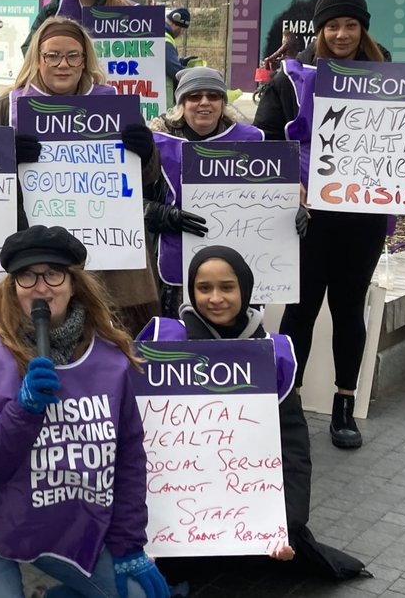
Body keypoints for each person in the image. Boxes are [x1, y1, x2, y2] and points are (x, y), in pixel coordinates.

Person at [0, 225, 167, 598]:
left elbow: (129, 458)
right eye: (27, 275)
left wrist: (128, 543)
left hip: (62, 525)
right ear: (13, 288)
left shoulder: (110, 360)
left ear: (74, 284)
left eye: (53, 273)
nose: (41, 287)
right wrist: (23, 412)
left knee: (137, 593)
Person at [254, 0, 405, 449]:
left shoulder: (393, 80)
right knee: (299, 311)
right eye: (332, 25)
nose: (341, 33)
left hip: (362, 216)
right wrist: (287, 181)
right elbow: (263, 138)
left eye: (350, 25)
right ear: (319, 30)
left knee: (348, 310)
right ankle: (288, 402)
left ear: (363, 29)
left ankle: (344, 403)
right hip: (309, 216)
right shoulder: (292, 78)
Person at [138, 246, 367, 582]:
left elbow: (292, 445)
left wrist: (284, 524)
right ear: (191, 290)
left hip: (244, 502)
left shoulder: (273, 354)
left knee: (259, 565)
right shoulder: (164, 343)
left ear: (244, 289)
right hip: (179, 506)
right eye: (204, 288)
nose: (215, 298)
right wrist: (143, 526)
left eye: (227, 287)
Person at [0, 17, 163, 336]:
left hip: (115, 259)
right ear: (37, 58)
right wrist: (6, 158)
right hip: (40, 258)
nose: (63, 64)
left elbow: (150, 177)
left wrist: (144, 151)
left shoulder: (116, 106)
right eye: (53, 55)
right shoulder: (6, 109)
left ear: (85, 60)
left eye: (73, 55)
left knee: (121, 349)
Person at [146, 67, 268, 317]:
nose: (204, 103)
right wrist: (158, 213)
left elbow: (270, 196)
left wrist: (292, 211)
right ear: (182, 103)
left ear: (223, 103)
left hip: (239, 255)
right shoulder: (156, 143)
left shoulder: (250, 142)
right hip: (176, 259)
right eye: (194, 96)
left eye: (213, 96)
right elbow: (131, 199)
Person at [163, 7, 195, 108]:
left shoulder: (160, 33)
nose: (181, 33)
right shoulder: (165, 38)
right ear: (175, 24)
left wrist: (181, 62)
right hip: (163, 92)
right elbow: (173, 69)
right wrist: (194, 77)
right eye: (182, 29)